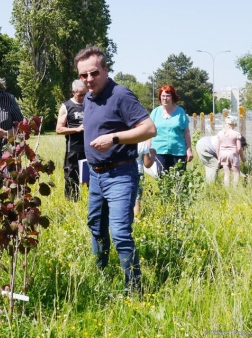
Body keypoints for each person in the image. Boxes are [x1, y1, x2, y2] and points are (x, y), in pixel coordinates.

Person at [76, 45, 156, 295]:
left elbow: (149, 129)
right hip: (96, 175)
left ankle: (135, 290)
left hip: (120, 174)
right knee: (97, 228)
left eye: (93, 73)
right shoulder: (88, 97)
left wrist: (115, 138)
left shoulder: (121, 94)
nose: (89, 79)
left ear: (105, 70)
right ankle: (100, 276)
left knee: (120, 232)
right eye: (83, 75)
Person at [149, 85, 193, 176]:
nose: (165, 98)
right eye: (163, 96)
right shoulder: (155, 112)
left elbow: (186, 132)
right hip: (159, 151)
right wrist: (147, 149)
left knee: (180, 180)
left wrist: (189, 149)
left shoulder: (180, 112)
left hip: (178, 151)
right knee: (163, 179)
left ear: (172, 97)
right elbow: (149, 131)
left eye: (168, 96)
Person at [56, 79, 88, 201]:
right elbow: (59, 129)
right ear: (72, 92)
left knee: (94, 179)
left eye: (86, 94)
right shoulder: (66, 106)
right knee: (71, 179)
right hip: (74, 149)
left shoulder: (90, 103)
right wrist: (76, 129)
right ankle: (72, 203)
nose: (83, 97)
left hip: (91, 148)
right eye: (80, 95)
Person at [216, 117, 246, 187]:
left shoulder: (220, 133)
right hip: (233, 154)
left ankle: (227, 190)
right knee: (236, 173)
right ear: (233, 124)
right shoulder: (236, 134)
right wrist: (242, 158)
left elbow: (217, 147)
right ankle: (234, 189)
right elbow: (239, 148)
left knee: (226, 174)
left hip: (223, 154)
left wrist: (218, 158)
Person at [134, 141, 157, 216]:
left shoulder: (122, 141)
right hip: (138, 172)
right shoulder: (142, 143)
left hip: (123, 172)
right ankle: (136, 218)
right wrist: (153, 154)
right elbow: (147, 164)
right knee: (137, 199)